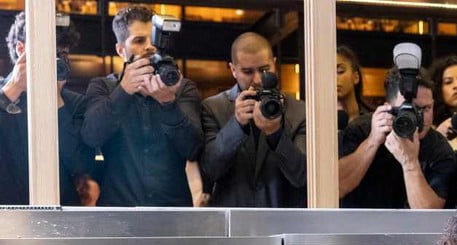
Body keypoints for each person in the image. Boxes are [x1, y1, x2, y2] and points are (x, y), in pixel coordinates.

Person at [81, 5, 203, 206]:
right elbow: (91, 136)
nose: (150, 47)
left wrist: (168, 103)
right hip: (118, 214)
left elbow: (193, 150)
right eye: (139, 40)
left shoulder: (183, 87)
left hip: (172, 216)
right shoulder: (103, 87)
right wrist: (124, 90)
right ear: (121, 50)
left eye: (153, 39)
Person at [200, 32, 306, 208]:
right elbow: (209, 171)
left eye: (265, 70)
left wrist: (275, 134)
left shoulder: (299, 111)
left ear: (274, 63)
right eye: (247, 71)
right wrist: (237, 125)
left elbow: (302, 176)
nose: (257, 79)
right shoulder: (213, 108)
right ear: (233, 69)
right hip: (233, 223)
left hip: (284, 222)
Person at [1, 12, 93, 205]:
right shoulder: (4, 92)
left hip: (60, 216)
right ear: (21, 49)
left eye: (62, 54)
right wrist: (14, 89)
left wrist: (56, 100)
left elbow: (80, 165)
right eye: (47, 52)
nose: (54, 61)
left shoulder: (74, 103)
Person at [338, 65, 455, 209]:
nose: (419, 118)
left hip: (411, 229)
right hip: (359, 227)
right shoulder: (362, 129)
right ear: (388, 108)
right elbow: (338, 187)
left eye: (425, 109)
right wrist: (372, 141)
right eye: (409, 110)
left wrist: (410, 163)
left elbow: (428, 219)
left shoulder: (439, 148)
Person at [337, 45, 373, 123]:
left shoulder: (372, 120)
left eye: (340, 71)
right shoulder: (313, 121)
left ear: (356, 77)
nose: (334, 78)